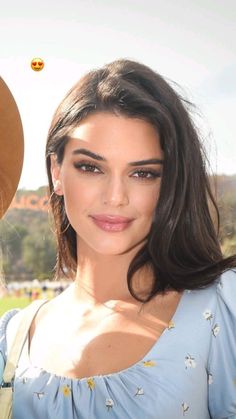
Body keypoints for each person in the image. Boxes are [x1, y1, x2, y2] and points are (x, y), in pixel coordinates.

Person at [1, 59, 236, 419]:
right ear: (56, 172)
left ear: (169, 182)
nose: (116, 196)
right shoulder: (12, 338)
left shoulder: (221, 310)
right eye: (91, 167)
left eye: (142, 173)